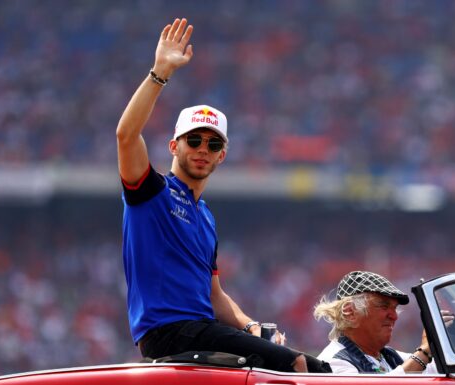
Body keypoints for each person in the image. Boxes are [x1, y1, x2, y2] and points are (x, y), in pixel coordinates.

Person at [116, 17, 324, 373]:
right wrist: (159, 73)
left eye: (212, 144)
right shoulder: (153, 193)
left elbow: (215, 297)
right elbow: (125, 135)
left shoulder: (206, 216)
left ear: (222, 155)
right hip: (170, 333)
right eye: (193, 140)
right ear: (174, 146)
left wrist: (251, 326)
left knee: (310, 366)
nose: (202, 149)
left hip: (201, 331)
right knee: (302, 367)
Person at [314, 271, 444, 374]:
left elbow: (438, 371)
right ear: (350, 313)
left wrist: (445, 339)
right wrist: (423, 353)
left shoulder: (389, 356)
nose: (394, 316)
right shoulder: (332, 362)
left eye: (395, 308)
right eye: (383, 306)